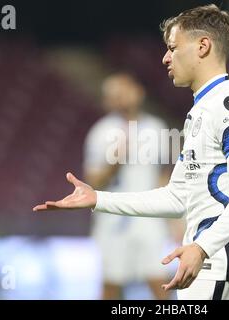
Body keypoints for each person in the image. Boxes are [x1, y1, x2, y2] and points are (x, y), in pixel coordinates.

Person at [34, 4, 229, 300]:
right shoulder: (201, 111)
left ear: (203, 46)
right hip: (206, 267)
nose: (165, 57)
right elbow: (176, 195)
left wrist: (202, 247)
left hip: (221, 268)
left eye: (173, 47)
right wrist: (99, 198)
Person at [84, 72, 173, 300]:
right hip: (113, 220)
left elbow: (164, 175)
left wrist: (172, 216)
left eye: (126, 91)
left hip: (149, 218)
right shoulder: (101, 132)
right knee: (112, 284)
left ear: (139, 92)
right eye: (115, 94)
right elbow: (93, 182)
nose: (122, 98)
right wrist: (115, 163)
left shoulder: (157, 128)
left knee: (158, 280)